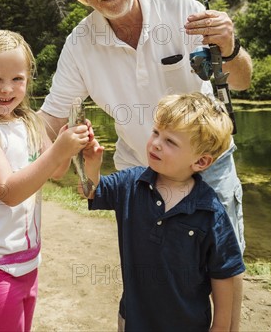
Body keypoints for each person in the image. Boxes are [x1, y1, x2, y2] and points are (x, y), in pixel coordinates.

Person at [39, 0, 252, 329]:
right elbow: (50, 120)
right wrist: (5, 142)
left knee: (224, 273)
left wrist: (230, 46)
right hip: (140, 177)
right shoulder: (79, 44)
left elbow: (240, 81)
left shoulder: (180, 9)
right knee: (149, 273)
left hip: (212, 167)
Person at [0, 30, 89, 332]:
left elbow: (57, 171)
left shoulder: (29, 122)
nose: (7, 89)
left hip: (29, 263)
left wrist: (71, 142)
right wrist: (58, 151)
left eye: (18, 79)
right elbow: (8, 192)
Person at [82, 92, 246, 332]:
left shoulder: (210, 212)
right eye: (156, 132)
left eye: (171, 141)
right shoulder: (130, 183)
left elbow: (224, 274)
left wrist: (220, 327)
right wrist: (91, 163)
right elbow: (90, 191)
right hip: (132, 321)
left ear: (201, 162)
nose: (156, 143)